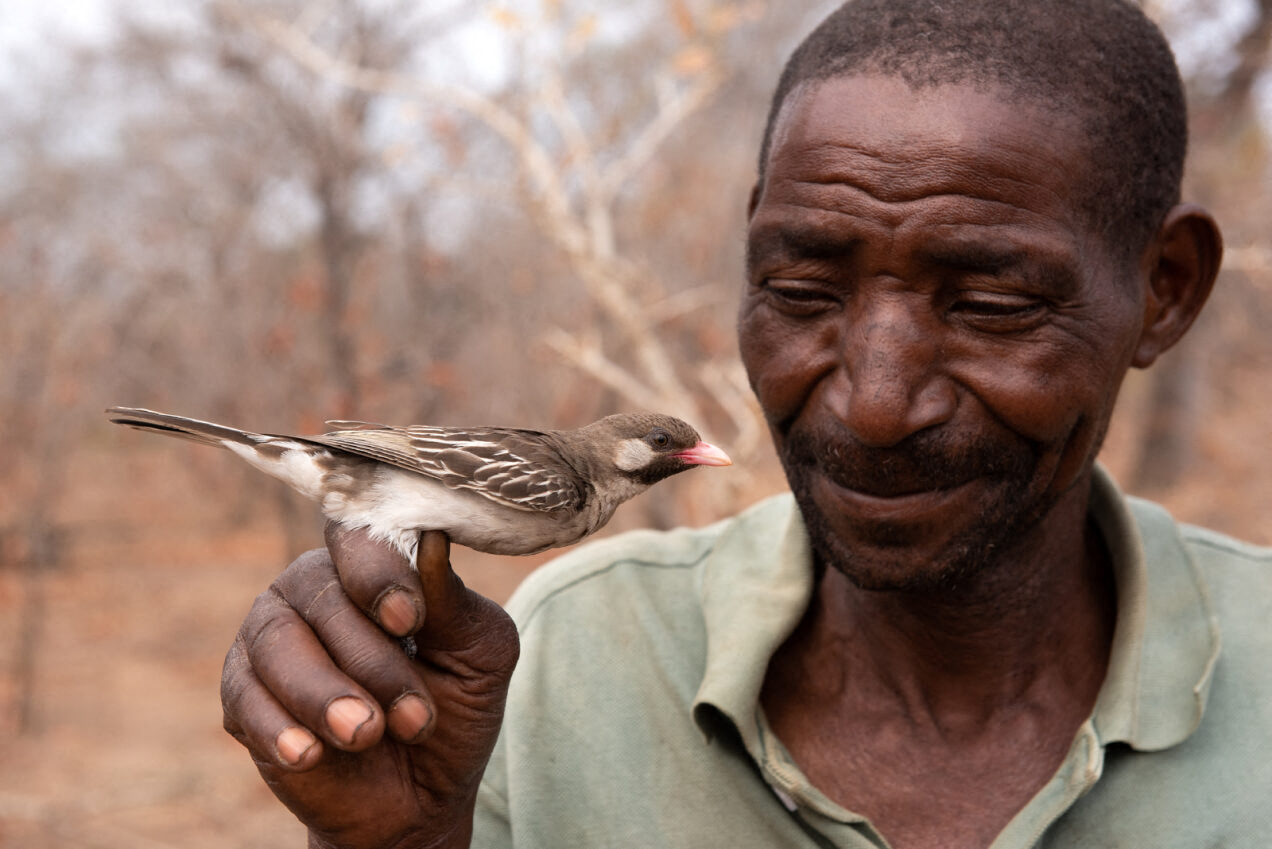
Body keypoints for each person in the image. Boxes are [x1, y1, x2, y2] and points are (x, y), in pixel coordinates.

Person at [218, 1, 1272, 847]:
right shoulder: (553, 664)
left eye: (991, 305)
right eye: (804, 289)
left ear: (1166, 289)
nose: (874, 401)